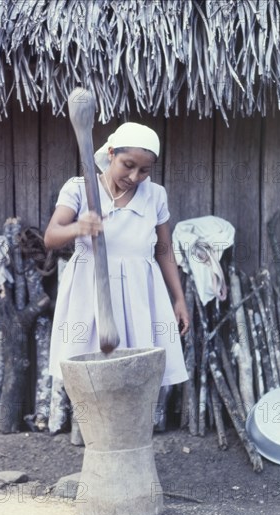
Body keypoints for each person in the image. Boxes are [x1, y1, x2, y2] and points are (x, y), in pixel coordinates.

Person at [44, 122, 190, 397]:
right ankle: (93, 431)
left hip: (140, 290)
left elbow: (164, 249)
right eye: (128, 164)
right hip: (91, 290)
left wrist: (179, 298)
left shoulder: (155, 195)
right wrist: (79, 227)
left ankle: (130, 430)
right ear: (111, 153)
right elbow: (51, 237)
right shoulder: (79, 188)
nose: (134, 176)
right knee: (90, 369)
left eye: (144, 170)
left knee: (137, 369)